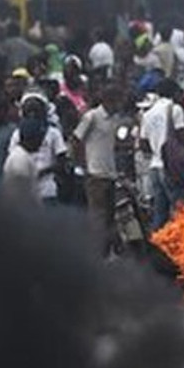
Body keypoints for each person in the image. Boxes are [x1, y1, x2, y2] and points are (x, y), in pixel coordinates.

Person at [74, 84, 124, 257]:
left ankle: (106, 253)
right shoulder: (92, 117)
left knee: (110, 218)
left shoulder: (115, 119)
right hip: (95, 175)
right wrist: (83, 165)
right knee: (98, 219)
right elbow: (76, 140)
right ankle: (96, 255)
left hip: (110, 174)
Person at [139, 79, 184, 230]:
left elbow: (143, 145)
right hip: (171, 168)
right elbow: (182, 137)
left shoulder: (148, 113)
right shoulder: (175, 109)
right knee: (180, 211)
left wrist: (157, 146)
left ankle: (156, 247)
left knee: (160, 212)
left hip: (154, 166)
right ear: (173, 92)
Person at [8, 95, 69, 205]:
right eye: (29, 112)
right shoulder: (17, 134)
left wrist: (43, 171)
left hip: (47, 189)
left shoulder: (53, 133)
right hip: (25, 192)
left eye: (36, 111)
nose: (33, 115)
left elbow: (62, 161)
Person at [3, 116, 45, 205]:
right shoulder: (20, 159)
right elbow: (21, 196)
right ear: (32, 137)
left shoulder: (24, 156)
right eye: (39, 137)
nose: (41, 141)